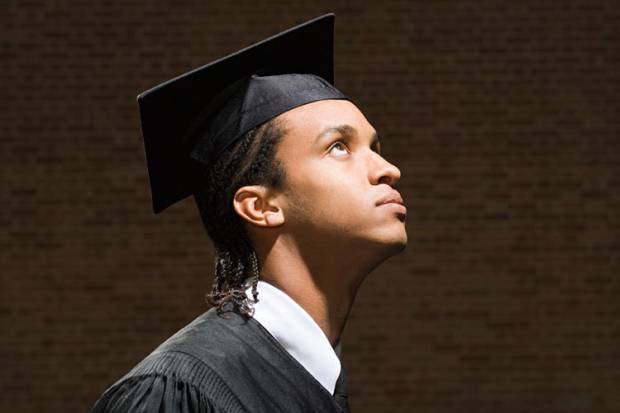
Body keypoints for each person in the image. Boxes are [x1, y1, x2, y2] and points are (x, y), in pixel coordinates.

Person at [90, 12, 407, 413]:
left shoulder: (313, 379)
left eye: (374, 148)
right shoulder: (180, 392)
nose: (388, 170)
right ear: (261, 206)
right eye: (338, 147)